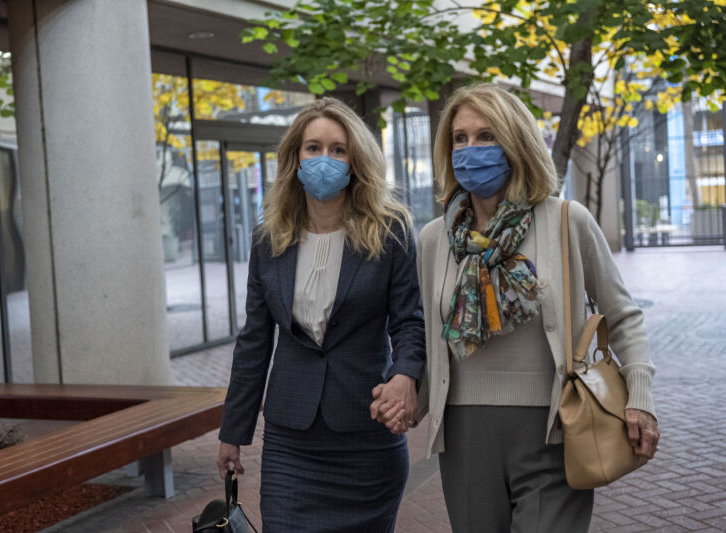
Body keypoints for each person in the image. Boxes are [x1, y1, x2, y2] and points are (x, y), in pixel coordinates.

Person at [375, 83, 660, 532]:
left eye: (486, 136)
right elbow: (432, 337)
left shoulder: (566, 221)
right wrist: (408, 394)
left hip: (555, 426)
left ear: (515, 141)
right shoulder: (433, 239)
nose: (471, 149)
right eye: (460, 139)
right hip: (465, 436)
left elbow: (623, 315)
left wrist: (639, 398)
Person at [216, 97, 425, 532]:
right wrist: (232, 431)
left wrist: (405, 375)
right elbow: (254, 339)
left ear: (355, 161)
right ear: (295, 158)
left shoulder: (391, 231)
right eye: (313, 148)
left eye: (338, 149)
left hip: (367, 436)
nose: (324, 159)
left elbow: (410, 320)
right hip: (291, 441)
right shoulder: (267, 240)